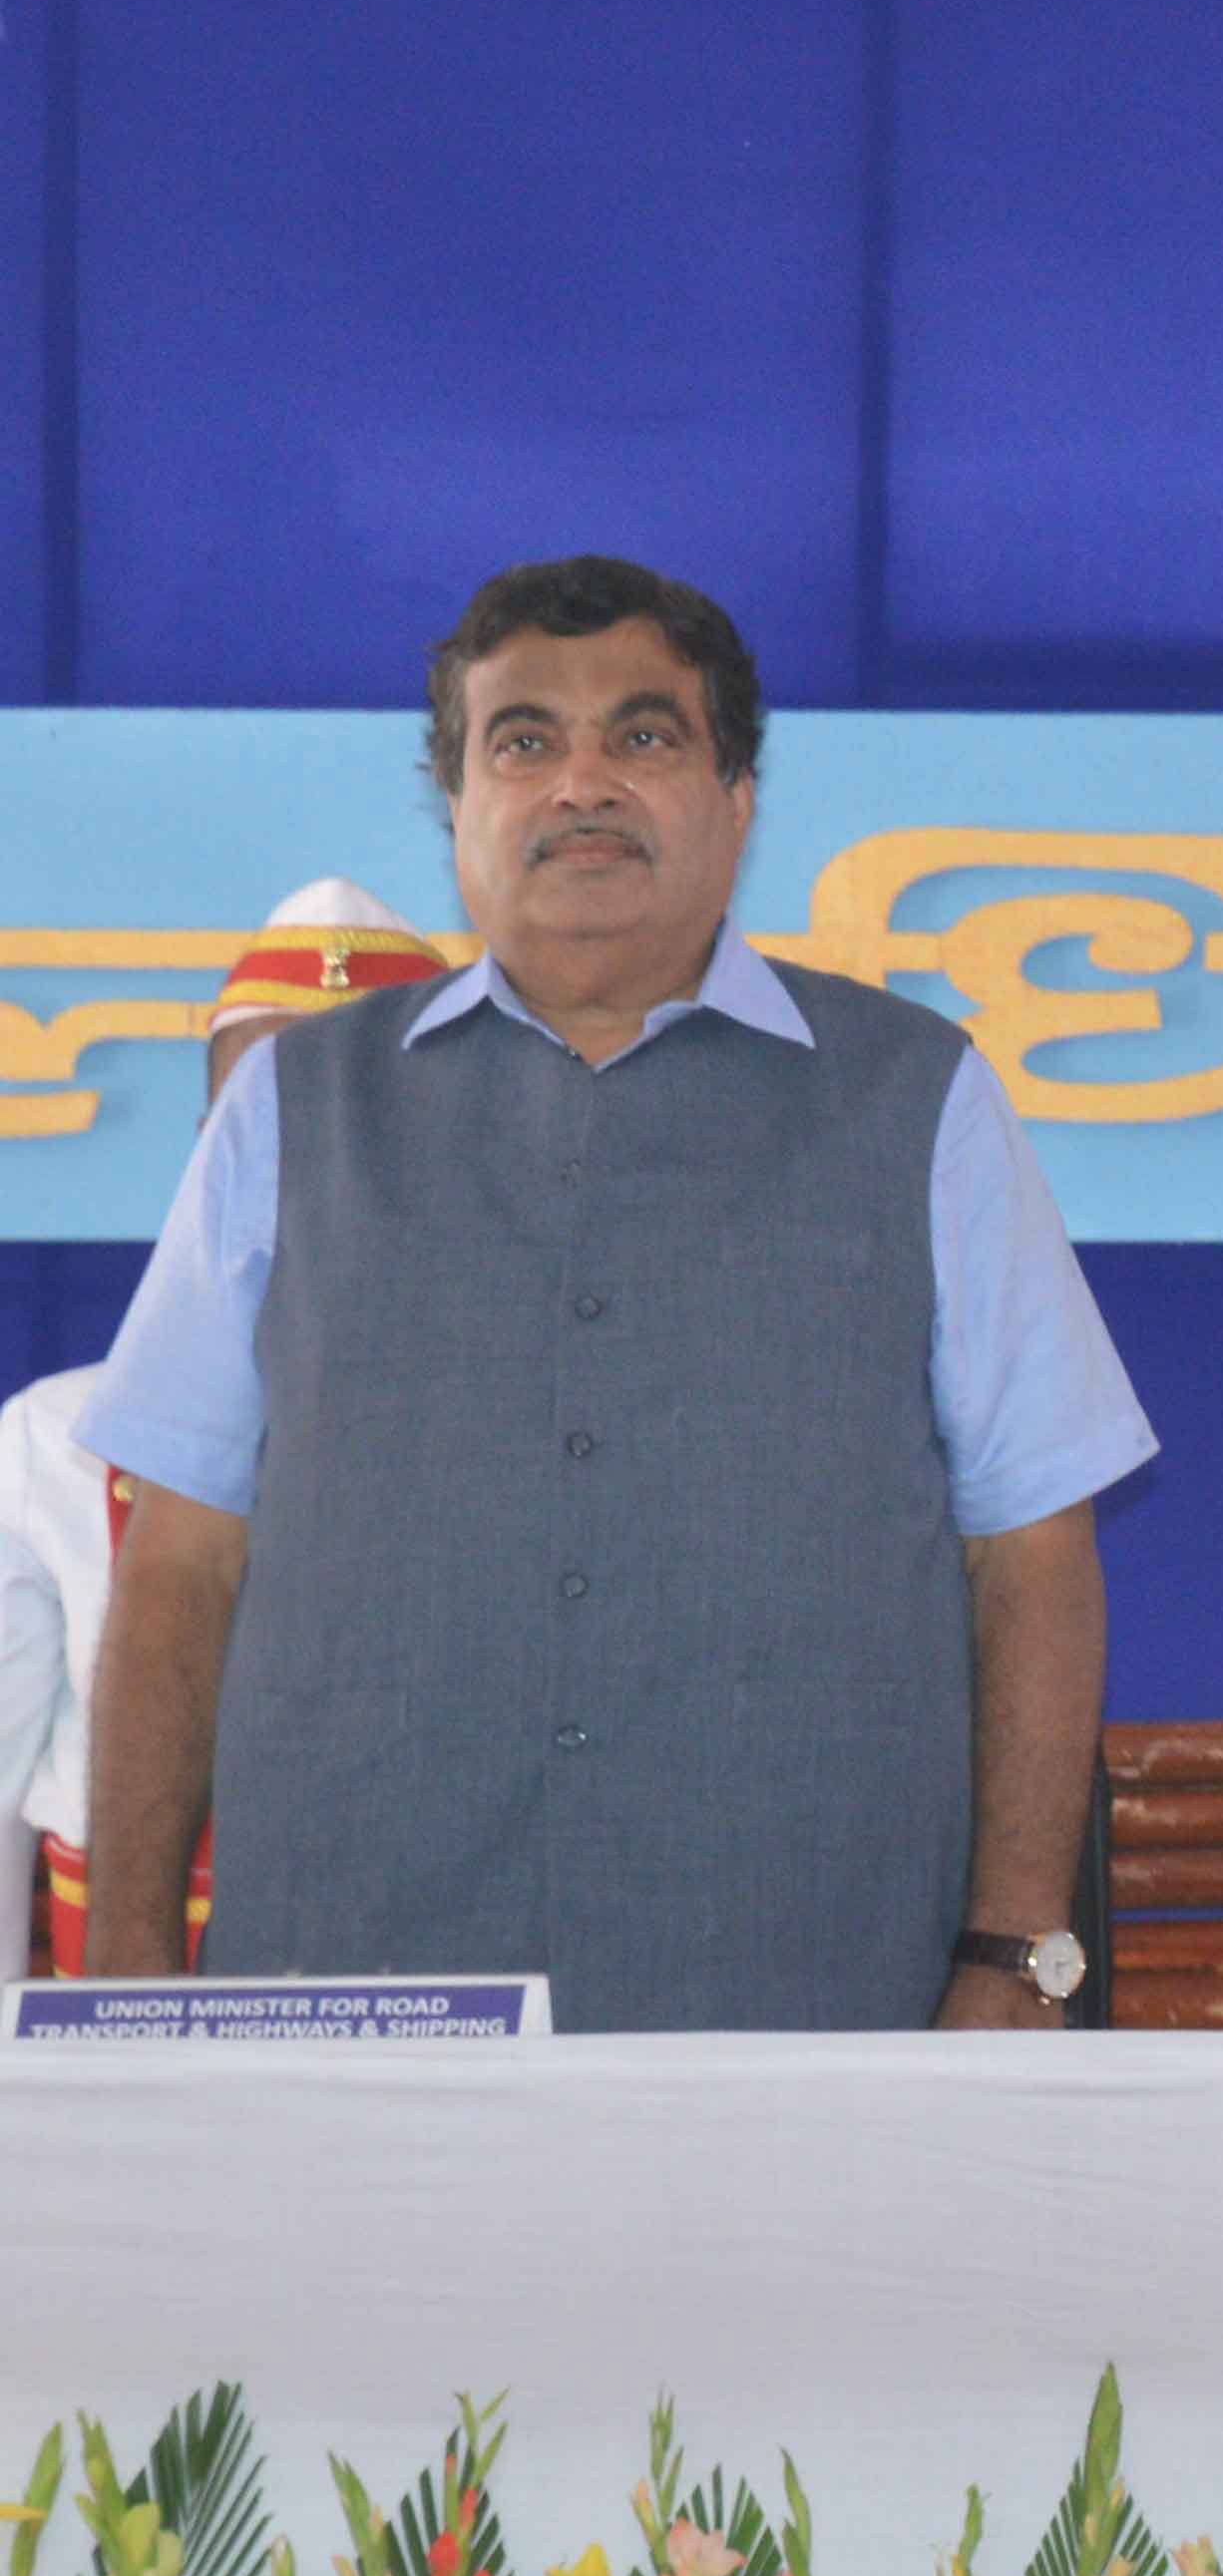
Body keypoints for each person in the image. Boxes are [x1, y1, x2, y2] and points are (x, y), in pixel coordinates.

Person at [70, 563, 1155, 2030]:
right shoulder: (293, 1112)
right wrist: (132, 1978)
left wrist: (1013, 1953)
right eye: (522, 741)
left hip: (811, 2011)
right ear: (454, 805)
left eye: (644, 736)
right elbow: (179, 1566)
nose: (582, 781)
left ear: (737, 798)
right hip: (351, 2022)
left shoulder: (922, 1098)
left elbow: (1030, 1554)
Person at [14, 883, 453, 1972]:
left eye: (350, 1132)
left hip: (453, 2023)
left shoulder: (561, 1427)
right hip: (124, 2045)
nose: (295, 1172)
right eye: (251, 1133)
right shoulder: (54, 1439)